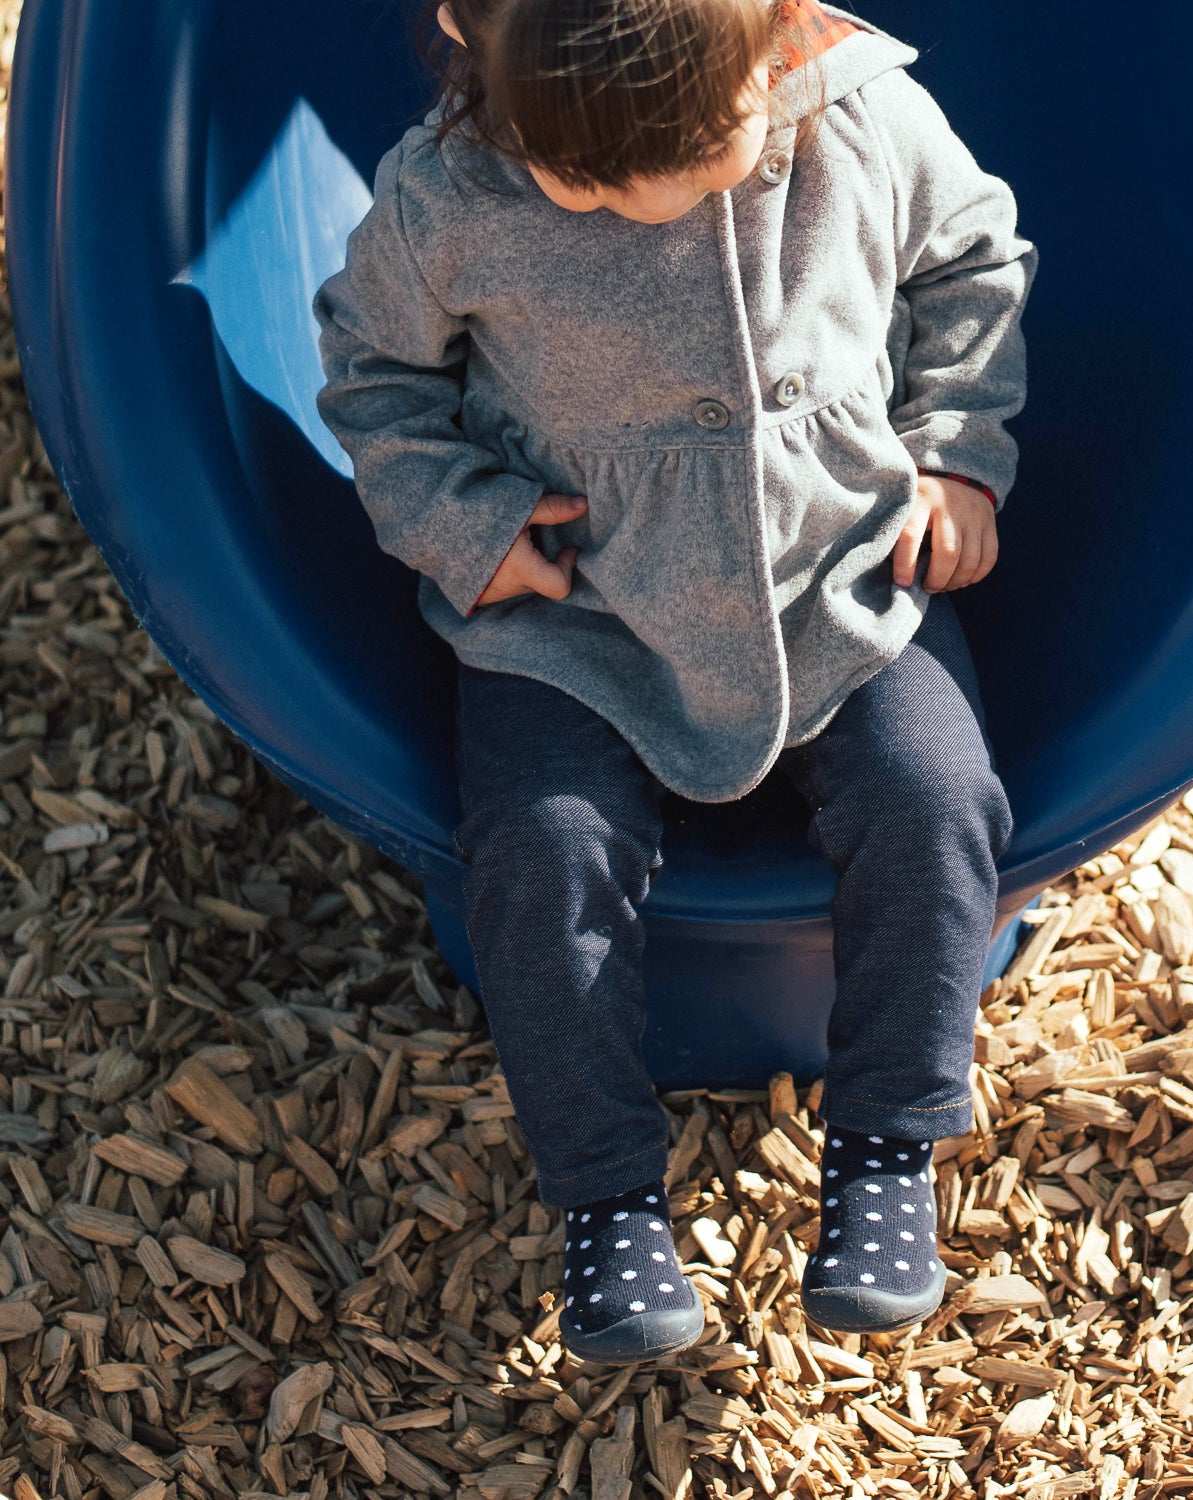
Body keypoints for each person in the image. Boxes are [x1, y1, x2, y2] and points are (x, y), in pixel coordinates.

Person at [313, 0, 1036, 1364]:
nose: (647, 206)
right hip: (579, 613)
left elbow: (970, 265)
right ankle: (604, 1195)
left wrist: (952, 448)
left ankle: (888, 1141)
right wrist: (467, 525)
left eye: (705, 157)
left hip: (836, 578)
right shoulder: (445, 194)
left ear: (779, 39)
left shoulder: (858, 114)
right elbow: (375, 380)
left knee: (937, 799)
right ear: (474, 40)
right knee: (540, 854)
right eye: (583, 181)